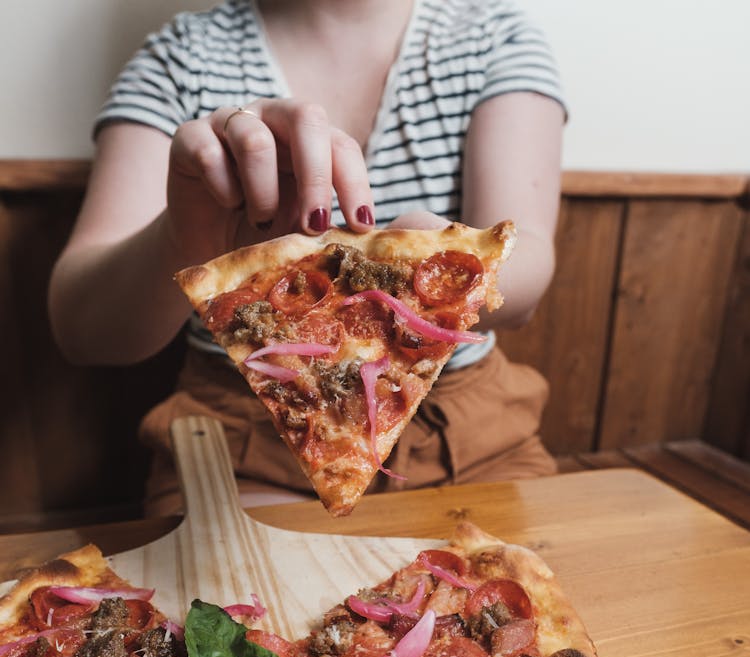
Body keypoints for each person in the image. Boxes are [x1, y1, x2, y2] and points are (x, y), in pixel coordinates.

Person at [49, 0, 566, 516]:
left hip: (477, 435)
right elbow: (83, 334)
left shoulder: (492, 37)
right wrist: (184, 237)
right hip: (240, 441)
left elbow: (526, 277)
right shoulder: (180, 59)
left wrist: (449, 268)